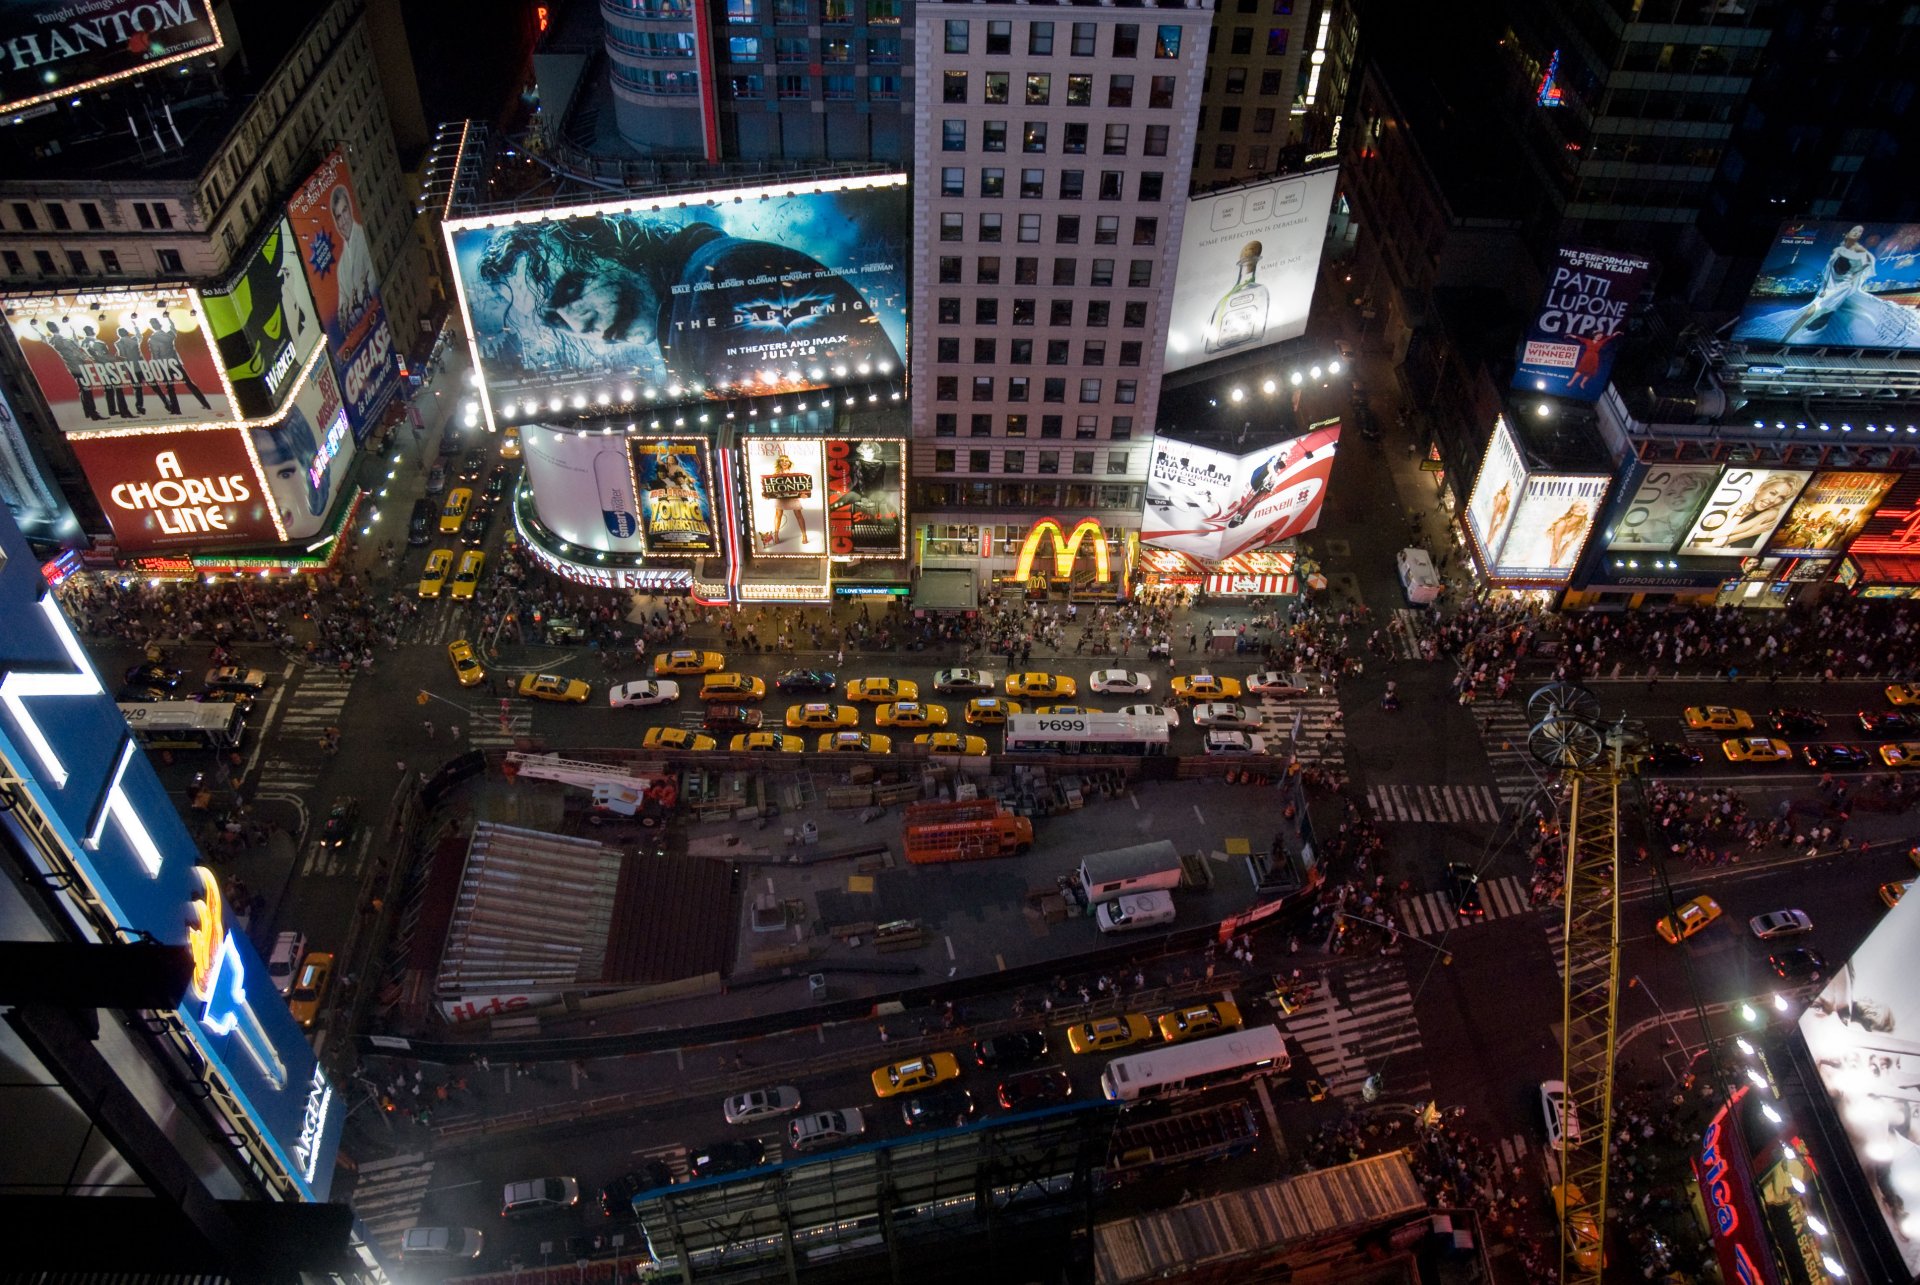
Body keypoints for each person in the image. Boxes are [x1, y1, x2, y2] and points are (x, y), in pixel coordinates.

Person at [469, 211, 903, 392]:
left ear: (612, 247)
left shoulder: (721, 277)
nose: (579, 324)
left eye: (571, 288)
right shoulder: (695, 296)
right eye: (557, 323)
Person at [1783, 225, 1876, 342]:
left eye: (1860, 231)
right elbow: (1827, 272)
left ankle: (1806, 341)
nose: (1857, 233)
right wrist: (1823, 290)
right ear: (1847, 233)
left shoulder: (1863, 254)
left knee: (1826, 319)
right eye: (1855, 230)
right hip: (1828, 289)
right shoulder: (1838, 250)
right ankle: (1785, 341)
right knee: (1807, 314)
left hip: (1842, 290)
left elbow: (1860, 274)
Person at [329, 183, 377, 329]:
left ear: (350, 208)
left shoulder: (364, 236)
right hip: (362, 330)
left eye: (345, 211)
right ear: (335, 221)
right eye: (338, 216)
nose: (343, 221)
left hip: (376, 315)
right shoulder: (341, 267)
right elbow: (341, 311)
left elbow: (373, 281)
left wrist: (354, 316)